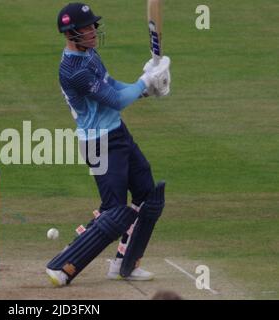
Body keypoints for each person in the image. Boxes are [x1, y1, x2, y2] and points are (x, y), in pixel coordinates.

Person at [46, 3, 170, 286]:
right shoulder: (73, 70)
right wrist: (144, 82)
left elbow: (112, 86)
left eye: (93, 26)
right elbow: (115, 100)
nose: (93, 31)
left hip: (117, 133)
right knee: (114, 211)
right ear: (71, 33)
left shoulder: (89, 54)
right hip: (97, 142)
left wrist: (147, 88)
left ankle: (125, 263)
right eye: (87, 27)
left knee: (147, 196)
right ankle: (64, 266)